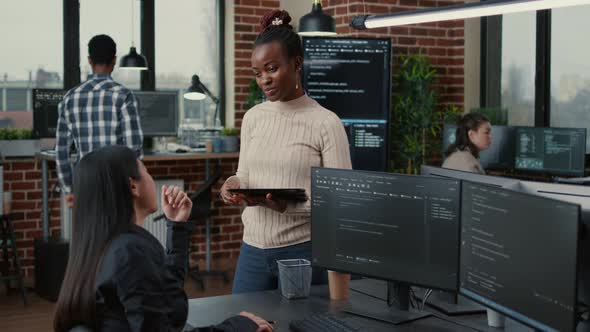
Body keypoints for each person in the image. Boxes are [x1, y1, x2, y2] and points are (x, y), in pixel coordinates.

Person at [53, 146, 272, 332]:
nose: (151, 178)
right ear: (133, 186)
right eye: (146, 172)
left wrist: (176, 226)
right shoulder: (130, 251)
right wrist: (237, 326)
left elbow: (163, 299)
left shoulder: (101, 245)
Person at [219, 10, 352, 294]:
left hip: (302, 253)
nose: (264, 80)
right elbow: (244, 173)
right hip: (252, 252)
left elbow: (341, 201)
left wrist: (286, 206)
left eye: (272, 68)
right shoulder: (253, 117)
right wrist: (233, 185)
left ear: (297, 63)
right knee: (244, 323)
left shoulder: (326, 123)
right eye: (257, 73)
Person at [56, 34, 143, 208]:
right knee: (118, 235)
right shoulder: (124, 96)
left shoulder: (69, 98)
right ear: (114, 60)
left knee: (90, 235)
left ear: (89, 60)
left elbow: (61, 152)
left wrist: (70, 190)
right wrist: (134, 186)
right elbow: (134, 149)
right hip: (116, 186)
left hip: (84, 187)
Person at [441, 113, 504, 327]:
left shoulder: (457, 156)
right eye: (487, 132)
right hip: (469, 236)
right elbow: (483, 210)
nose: (491, 137)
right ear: (471, 134)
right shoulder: (470, 165)